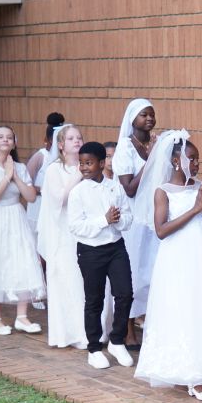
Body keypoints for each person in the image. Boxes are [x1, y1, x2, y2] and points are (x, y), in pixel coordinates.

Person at [134, 133, 202, 400]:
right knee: (184, 308)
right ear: (175, 161)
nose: (196, 164)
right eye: (191, 159)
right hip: (179, 257)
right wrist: (194, 210)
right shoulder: (163, 191)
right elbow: (161, 230)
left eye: (197, 159)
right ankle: (193, 376)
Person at [0, 126, 45, 335]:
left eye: (9, 137)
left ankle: (22, 316)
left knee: (22, 261)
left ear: (14, 143)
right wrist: (6, 176)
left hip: (16, 216)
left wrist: (16, 176)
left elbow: (30, 197)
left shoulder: (20, 167)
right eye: (0, 137)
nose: (5, 140)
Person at [68, 141, 135, 369]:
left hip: (116, 248)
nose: (84, 167)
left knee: (125, 293)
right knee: (94, 299)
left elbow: (128, 218)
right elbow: (76, 227)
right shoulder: (77, 192)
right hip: (90, 251)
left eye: (89, 163)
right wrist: (104, 220)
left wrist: (117, 221)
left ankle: (117, 341)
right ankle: (94, 348)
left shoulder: (115, 187)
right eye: (81, 163)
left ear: (102, 163)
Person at [36, 123, 89, 349]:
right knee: (70, 281)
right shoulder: (54, 170)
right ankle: (71, 333)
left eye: (79, 137)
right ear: (60, 145)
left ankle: (91, 330)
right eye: (71, 138)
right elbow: (59, 199)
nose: (77, 141)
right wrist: (78, 176)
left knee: (87, 283)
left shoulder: (88, 166)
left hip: (86, 231)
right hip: (64, 233)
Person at [112, 98, 157, 342]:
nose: (149, 118)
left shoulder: (156, 143)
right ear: (132, 119)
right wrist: (151, 160)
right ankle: (127, 329)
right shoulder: (125, 147)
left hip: (155, 216)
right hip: (134, 220)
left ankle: (151, 324)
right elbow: (129, 188)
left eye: (151, 114)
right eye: (144, 114)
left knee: (152, 273)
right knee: (132, 275)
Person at [25, 111, 66, 245]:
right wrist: (44, 189)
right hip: (39, 205)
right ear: (49, 139)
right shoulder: (41, 156)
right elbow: (26, 183)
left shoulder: (65, 158)